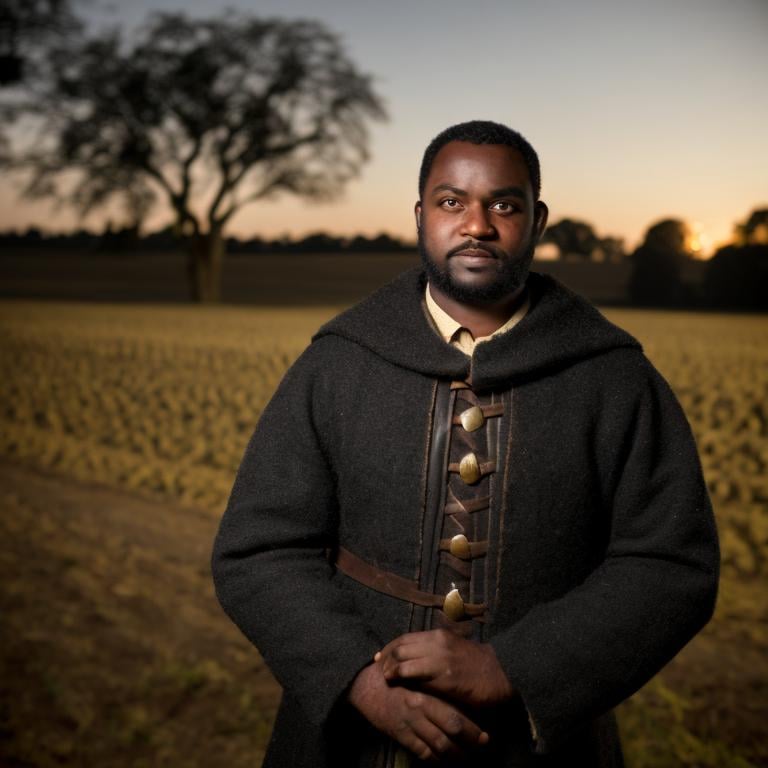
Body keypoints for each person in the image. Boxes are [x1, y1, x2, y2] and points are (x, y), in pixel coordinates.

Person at [211, 120, 719, 767]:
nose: (476, 224)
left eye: (503, 205)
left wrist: (518, 668)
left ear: (536, 220)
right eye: (452, 202)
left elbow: (672, 564)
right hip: (345, 745)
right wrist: (358, 681)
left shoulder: (615, 378)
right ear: (422, 215)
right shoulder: (335, 365)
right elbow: (259, 549)